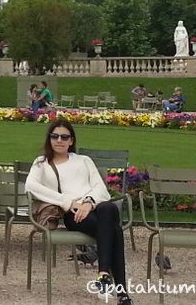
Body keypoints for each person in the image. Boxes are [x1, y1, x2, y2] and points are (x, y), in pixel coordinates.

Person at [25, 118, 132, 304]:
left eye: (64, 137)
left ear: (71, 141)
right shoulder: (42, 162)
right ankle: (122, 293)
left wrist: (89, 202)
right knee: (114, 231)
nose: (59, 140)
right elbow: (31, 186)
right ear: (49, 139)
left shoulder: (84, 160)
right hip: (73, 214)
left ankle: (104, 274)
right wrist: (66, 202)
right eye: (55, 136)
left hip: (95, 208)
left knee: (107, 207)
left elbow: (100, 188)